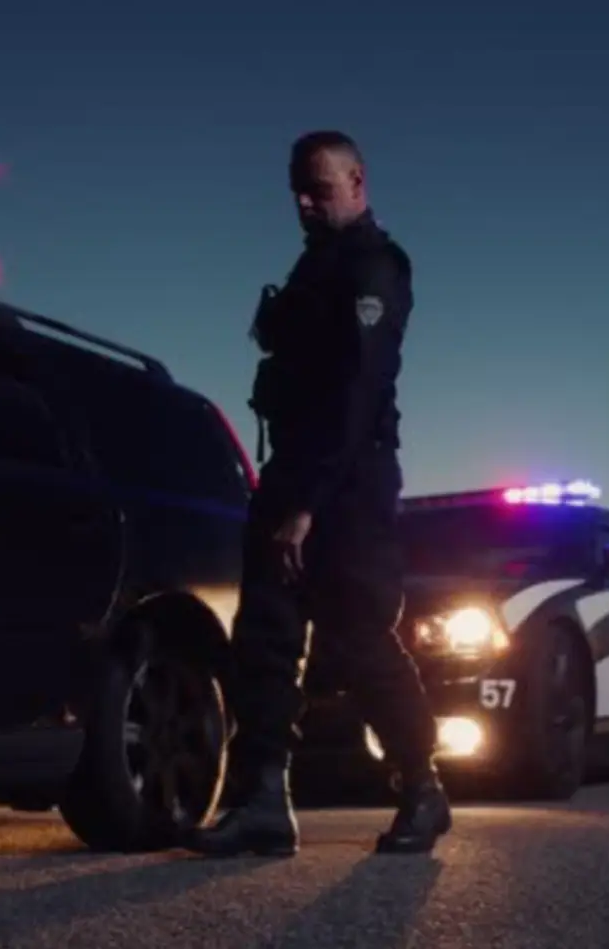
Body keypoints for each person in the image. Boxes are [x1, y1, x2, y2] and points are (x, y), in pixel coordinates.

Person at [188, 130, 451, 857]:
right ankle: (264, 800)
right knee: (266, 638)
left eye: (320, 189)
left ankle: (422, 789)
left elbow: (357, 393)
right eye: (298, 192)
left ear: (359, 180)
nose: (305, 203)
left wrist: (307, 503)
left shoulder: (376, 266)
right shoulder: (314, 265)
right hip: (295, 469)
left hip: (348, 480)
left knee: (359, 636)